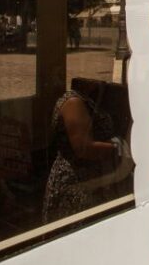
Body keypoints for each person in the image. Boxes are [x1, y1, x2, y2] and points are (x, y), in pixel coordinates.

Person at [44, 88, 131, 222]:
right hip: (77, 184)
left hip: (92, 181)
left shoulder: (87, 99)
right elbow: (85, 148)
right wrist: (121, 148)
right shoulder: (74, 103)